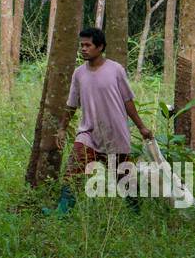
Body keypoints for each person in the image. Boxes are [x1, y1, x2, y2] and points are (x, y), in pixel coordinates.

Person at [53, 26, 152, 214]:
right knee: (73, 170)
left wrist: (142, 128)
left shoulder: (116, 70)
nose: (83, 49)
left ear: (100, 47)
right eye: (81, 45)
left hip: (115, 134)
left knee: (123, 176)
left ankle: (136, 212)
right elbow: (71, 104)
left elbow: (128, 101)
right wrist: (62, 128)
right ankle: (62, 211)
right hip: (88, 133)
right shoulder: (79, 73)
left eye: (88, 45)